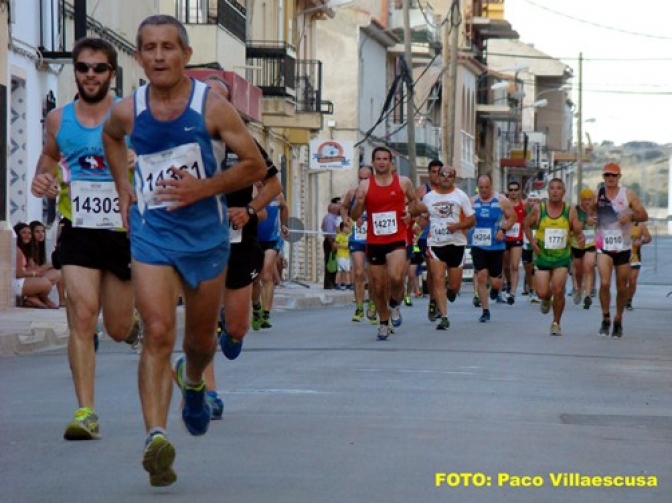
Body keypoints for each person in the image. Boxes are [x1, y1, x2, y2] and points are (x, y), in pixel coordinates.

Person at [102, 15, 266, 487]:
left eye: (168, 47)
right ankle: (156, 437)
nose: (158, 56)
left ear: (185, 56)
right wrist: (122, 186)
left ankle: (192, 381)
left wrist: (204, 188)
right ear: (138, 57)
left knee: (198, 343)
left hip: (207, 238)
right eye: (149, 48)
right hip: (153, 231)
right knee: (156, 328)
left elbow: (254, 164)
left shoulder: (211, 107)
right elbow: (111, 138)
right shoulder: (129, 110)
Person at [30, 37, 141, 442]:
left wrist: (136, 160)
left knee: (114, 326)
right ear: (75, 71)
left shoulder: (130, 116)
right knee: (80, 314)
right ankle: (86, 411)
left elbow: (158, 160)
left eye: (98, 68)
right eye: (83, 67)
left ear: (112, 73)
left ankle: (131, 329)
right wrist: (43, 177)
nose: (89, 75)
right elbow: (49, 156)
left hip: (122, 230)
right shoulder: (59, 119)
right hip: (77, 228)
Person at [199, 75, 283, 419]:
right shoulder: (186, 140)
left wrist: (249, 210)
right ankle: (208, 392)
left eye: (220, 101)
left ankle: (230, 330)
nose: (213, 108)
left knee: (235, 329)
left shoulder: (242, 143)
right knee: (201, 323)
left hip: (238, 240)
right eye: (207, 100)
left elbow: (273, 184)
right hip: (198, 240)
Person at [350, 146, 420, 340]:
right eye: (378, 159)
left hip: (396, 238)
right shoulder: (364, 186)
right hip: (374, 241)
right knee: (378, 287)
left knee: (396, 277)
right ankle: (383, 321)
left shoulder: (403, 182)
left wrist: (410, 213)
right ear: (373, 162)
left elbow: (414, 202)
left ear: (391, 162)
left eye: (385, 159)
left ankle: (395, 303)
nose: (381, 162)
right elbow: (354, 215)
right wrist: (359, 203)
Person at [411, 165, 475, 330]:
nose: (446, 177)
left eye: (450, 175)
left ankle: (451, 292)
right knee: (438, 278)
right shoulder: (429, 198)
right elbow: (424, 218)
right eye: (443, 175)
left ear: (454, 178)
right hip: (436, 243)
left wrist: (458, 226)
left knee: (454, 285)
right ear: (437, 178)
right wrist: (417, 231)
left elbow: (471, 220)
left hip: (456, 244)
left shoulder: (461, 196)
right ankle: (444, 316)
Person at [592, 162, 648, 338]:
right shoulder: (597, 195)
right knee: (605, 283)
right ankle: (605, 317)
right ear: (603, 177)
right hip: (604, 245)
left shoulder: (628, 194)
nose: (610, 178)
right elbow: (588, 213)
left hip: (623, 246)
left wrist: (631, 216)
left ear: (619, 177)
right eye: (607, 175)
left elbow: (644, 215)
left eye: (613, 175)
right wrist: (590, 219)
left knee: (622, 286)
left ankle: (618, 319)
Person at [524, 178, 585, 336]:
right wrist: (532, 241)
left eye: (559, 188)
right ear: (548, 191)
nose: (555, 191)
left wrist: (580, 235)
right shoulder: (539, 209)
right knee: (543, 293)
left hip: (561, 258)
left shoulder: (569, 210)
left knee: (558, 290)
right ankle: (545, 299)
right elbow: (526, 224)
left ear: (563, 192)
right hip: (543, 257)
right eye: (552, 188)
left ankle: (556, 323)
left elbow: (576, 227)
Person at [470, 174, 517, 322]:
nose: (484, 190)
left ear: (491, 186)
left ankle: (497, 289)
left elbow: (513, 217)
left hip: (496, 245)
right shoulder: (472, 201)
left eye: (486, 187)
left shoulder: (501, 201)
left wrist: (502, 230)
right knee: (481, 276)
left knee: (495, 282)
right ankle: (485, 310)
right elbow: (464, 218)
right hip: (478, 244)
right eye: (481, 187)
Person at [341, 165, 376, 322]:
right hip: (357, 237)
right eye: (360, 178)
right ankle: (359, 307)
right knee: (359, 272)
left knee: (374, 275)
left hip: (375, 237)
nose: (363, 181)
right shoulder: (352, 193)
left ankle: (374, 305)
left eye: (366, 178)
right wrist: (346, 220)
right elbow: (343, 207)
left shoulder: (377, 193)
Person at [251, 193, 290, 330]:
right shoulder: (251, 193)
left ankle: (266, 314)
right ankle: (256, 307)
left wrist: (284, 224)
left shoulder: (276, 195)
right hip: (253, 240)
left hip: (271, 240)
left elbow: (284, 208)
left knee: (267, 275)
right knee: (255, 279)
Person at [415, 159, 442, 321]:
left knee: (440, 272)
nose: (436, 175)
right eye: (433, 172)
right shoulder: (421, 191)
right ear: (429, 173)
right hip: (426, 236)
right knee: (432, 270)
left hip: (444, 236)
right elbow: (414, 209)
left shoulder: (448, 191)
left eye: (439, 172)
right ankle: (433, 301)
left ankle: (437, 298)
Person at [13, 222, 56, 308]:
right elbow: (19, 274)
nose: (27, 235)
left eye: (29, 233)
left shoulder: (25, 249)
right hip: (15, 284)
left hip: (22, 281)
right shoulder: (16, 250)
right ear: (17, 234)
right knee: (46, 283)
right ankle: (35, 298)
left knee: (53, 275)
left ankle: (33, 298)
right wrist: (34, 273)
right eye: (24, 233)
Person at [569, 188, 598, 309]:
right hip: (577, 244)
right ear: (581, 200)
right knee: (579, 270)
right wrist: (585, 219)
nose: (587, 202)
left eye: (589, 200)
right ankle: (579, 289)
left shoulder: (597, 211)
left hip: (591, 243)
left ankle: (588, 295)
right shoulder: (575, 210)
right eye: (585, 200)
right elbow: (573, 228)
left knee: (588, 266)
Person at [30, 220, 65, 306]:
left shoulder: (40, 247)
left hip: (35, 276)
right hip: (30, 278)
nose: (41, 234)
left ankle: (61, 299)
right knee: (58, 271)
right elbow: (34, 269)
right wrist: (52, 264)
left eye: (42, 231)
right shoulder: (30, 248)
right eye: (37, 232)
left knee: (59, 271)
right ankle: (37, 296)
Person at [502, 180, 526, 305]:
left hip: (517, 239)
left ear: (519, 191)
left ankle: (512, 293)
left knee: (515, 266)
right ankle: (509, 282)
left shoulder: (523, 204)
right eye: (510, 190)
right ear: (508, 191)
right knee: (505, 266)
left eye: (515, 190)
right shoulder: (504, 204)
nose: (513, 192)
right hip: (505, 238)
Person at [627, 221, 651, 310]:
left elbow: (648, 238)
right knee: (622, 281)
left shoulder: (640, 224)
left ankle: (629, 300)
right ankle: (622, 299)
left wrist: (642, 241)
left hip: (635, 255)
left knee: (632, 281)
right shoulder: (620, 222)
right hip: (622, 255)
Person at [321, 198, 341, 289]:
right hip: (330, 242)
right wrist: (332, 244)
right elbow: (329, 232)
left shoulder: (336, 218)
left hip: (336, 241)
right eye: (338, 208)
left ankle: (334, 282)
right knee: (329, 262)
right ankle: (328, 283)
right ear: (333, 209)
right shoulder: (329, 217)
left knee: (335, 262)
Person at [334, 221, 352, 289]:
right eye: (346, 227)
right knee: (340, 270)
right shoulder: (339, 235)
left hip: (347, 255)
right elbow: (335, 245)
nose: (348, 228)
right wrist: (343, 246)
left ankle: (348, 283)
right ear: (343, 228)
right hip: (341, 255)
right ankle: (337, 283)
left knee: (347, 270)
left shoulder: (349, 236)